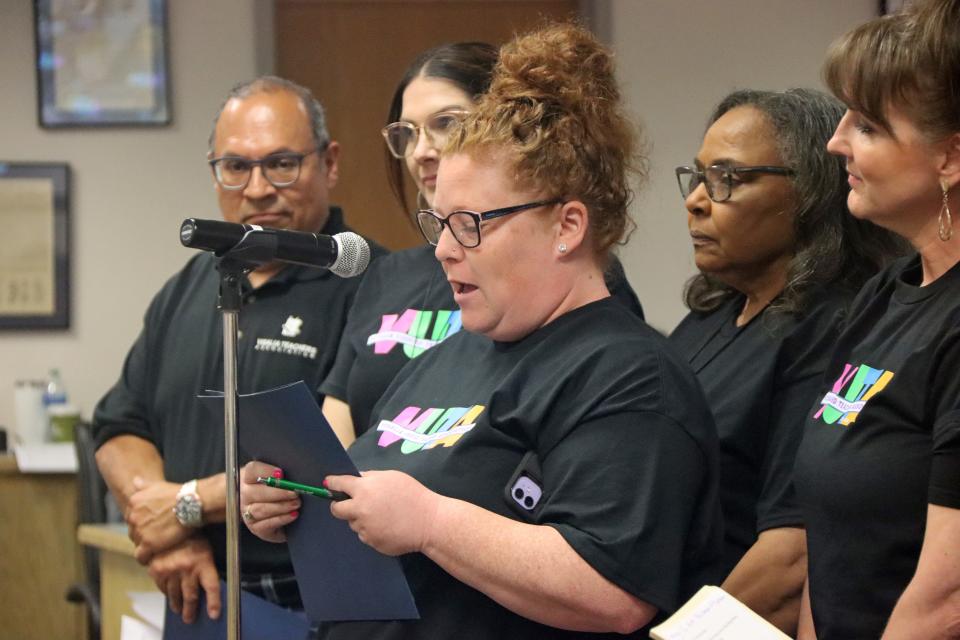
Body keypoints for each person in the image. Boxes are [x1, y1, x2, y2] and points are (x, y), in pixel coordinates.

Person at [241, 23, 723, 638]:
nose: (443, 250)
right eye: (439, 223)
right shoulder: (453, 352)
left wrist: (432, 523)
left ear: (566, 225)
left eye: (470, 223)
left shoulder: (629, 376)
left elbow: (612, 591)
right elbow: (372, 501)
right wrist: (296, 498)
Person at [91, 76, 383, 623]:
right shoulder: (187, 289)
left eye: (281, 164)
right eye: (235, 166)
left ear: (331, 162)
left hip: (317, 602)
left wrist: (187, 505)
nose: (256, 189)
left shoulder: (379, 288)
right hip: (200, 592)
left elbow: (333, 465)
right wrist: (169, 529)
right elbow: (118, 426)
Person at [319, 42, 643, 445]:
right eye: (408, 133)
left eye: (447, 124)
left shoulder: (575, 284)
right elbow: (338, 435)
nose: (422, 151)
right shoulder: (387, 275)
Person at [669, 89, 904, 634]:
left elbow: (790, 555)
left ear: (811, 193)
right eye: (699, 176)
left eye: (728, 178)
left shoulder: (834, 328)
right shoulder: (710, 315)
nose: (697, 200)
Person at [793, 1, 960, 638]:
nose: (836, 141)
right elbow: (831, 541)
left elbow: (945, 600)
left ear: (949, 158)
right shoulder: (886, 293)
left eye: (866, 125)